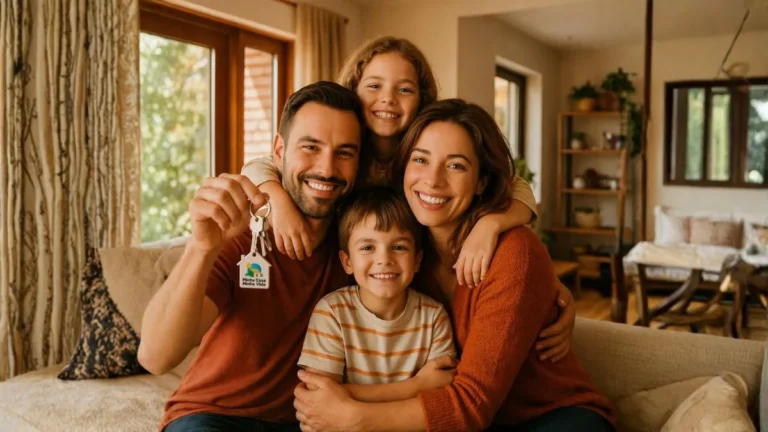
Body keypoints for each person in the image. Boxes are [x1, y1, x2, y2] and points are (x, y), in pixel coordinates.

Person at [138, 81, 575, 432]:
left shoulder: (366, 244)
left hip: (306, 420)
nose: (327, 168)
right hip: (215, 417)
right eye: (309, 147)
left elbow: (495, 195)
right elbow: (155, 357)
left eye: (344, 153)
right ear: (277, 152)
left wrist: (539, 285)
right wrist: (201, 246)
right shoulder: (247, 234)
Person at [293, 99, 616, 432]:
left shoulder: (512, 251)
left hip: (552, 417)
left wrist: (352, 417)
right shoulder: (406, 249)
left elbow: (470, 405)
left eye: (456, 165)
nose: (433, 180)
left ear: (481, 182)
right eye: (420, 160)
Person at [242, 36, 540, 300]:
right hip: (351, 276)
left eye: (405, 89)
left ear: (422, 99)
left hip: (410, 279)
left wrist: (490, 225)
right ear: (353, 90)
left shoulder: (424, 152)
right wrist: (277, 202)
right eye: (374, 86)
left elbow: (516, 186)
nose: (388, 98)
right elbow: (259, 165)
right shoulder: (340, 154)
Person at [298, 187, 458, 400]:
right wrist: (417, 386)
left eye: (399, 247)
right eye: (367, 248)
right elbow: (319, 398)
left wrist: (346, 396)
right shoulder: (332, 313)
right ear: (347, 262)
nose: (384, 259)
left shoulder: (434, 317)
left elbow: (440, 394)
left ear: (417, 260)